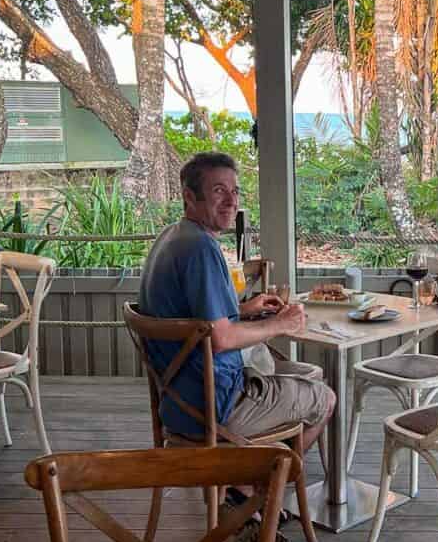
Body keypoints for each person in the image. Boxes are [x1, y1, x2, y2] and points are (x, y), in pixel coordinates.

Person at [138, 151, 333, 457]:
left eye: (235, 191)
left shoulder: (173, 238)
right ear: (190, 196)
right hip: (218, 405)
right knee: (324, 398)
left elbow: (192, 322)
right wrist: (279, 324)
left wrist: (243, 310)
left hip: (178, 403)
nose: (231, 201)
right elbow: (220, 338)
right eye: (219, 191)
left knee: (297, 377)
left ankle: (244, 483)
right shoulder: (202, 249)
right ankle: (255, 489)